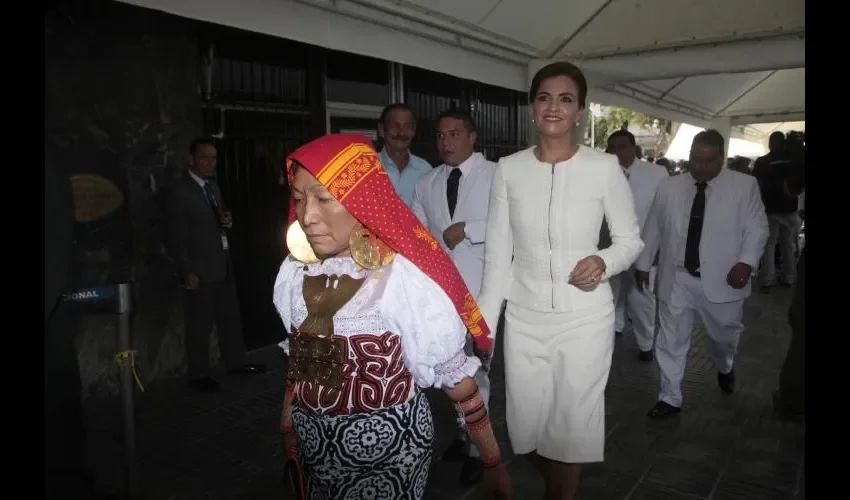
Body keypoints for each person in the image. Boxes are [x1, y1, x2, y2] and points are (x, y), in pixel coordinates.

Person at [274, 134, 512, 500]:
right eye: (299, 199)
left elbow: (460, 385)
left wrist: (492, 463)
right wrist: (290, 426)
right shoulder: (295, 273)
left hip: (387, 449)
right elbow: (304, 362)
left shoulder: (400, 281)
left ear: (360, 200)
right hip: (316, 447)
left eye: (324, 198)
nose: (308, 216)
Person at [477, 61, 644, 499]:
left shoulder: (604, 167)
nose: (554, 106)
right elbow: (496, 258)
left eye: (565, 99)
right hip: (526, 319)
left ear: (580, 113)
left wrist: (603, 262)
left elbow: (630, 241)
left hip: (584, 320)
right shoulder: (509, 169)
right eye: (545, 97)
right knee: (525, 429)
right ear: (532, 108)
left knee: (571, 428)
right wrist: (483, 329)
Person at [636, 130, 769, 419]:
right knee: (670, 338)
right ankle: (669, 397)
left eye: (709, 161)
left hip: (725, 279)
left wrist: (746, 263)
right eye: (696, 159)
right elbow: (654, 227)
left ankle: (725, 365)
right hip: (677, 277)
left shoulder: (744, 186)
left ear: (721, 158)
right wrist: (643, 264)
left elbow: (757, 228)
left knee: (724, 336)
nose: (701, 166)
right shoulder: (670, 187)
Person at [411, 107, 496, 486]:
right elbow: (417, 236)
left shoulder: (497, 175)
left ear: (473, 136)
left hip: (484, 293)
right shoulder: (426, 183)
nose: (446, 142)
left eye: (455, 134)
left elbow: (516, 223)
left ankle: (480, 452)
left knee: (479, 375)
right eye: (441, 135)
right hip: (442, 298)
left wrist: (470, 228)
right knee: (451, 373)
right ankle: (464, 437)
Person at [165, 138, 265, 393]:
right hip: (199, 268)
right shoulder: (179, 190)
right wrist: (186, 269)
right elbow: (174, 234)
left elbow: (214, 222)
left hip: (222, 264)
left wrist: (226, 222)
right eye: (205, 158)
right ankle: (198, 374)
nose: (211, 163)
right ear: (191, 159)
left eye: (214, 159)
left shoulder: (212, 188)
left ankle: (235, 362)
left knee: (229, 318)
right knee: (199, 323)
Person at [605, 130, 669, 360]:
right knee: (611, 294)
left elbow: (662, 213)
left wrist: (654, 251)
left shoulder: (656, 173)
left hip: (643, 247)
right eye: (612, 147)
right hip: (610, 247)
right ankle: (615, 328)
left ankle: (645, 342)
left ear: (634, 148)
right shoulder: (603, 172)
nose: (617, 151)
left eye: (622, 146)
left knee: (641, 297)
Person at [377, 103, 433, 207]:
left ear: (414, 130)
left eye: (407, 126)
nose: (401, 132)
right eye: (395, 125)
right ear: (381, 130)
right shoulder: (367, 167)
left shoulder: (425, 170)